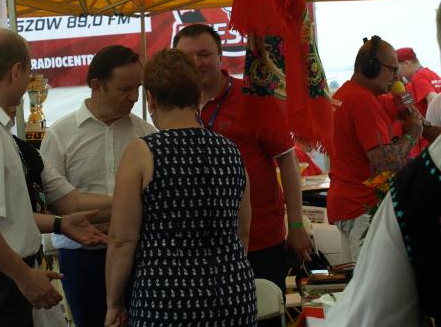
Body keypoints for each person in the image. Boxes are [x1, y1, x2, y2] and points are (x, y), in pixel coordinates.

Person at [0, 28, 106, 326]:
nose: (28, 84)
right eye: (28, 73)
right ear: (16, 71)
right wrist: (23, 276)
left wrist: (59, 224)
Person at [105, 49, 256, 327]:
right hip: (234, 294)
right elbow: (243, 231)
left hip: (165, 298)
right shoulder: (230, 150)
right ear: (198, 96)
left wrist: (114, 302)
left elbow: (121, 240)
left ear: (151, 98)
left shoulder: (141, 153)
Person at [173, 24, 312, 296]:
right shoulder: (173, 104)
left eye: (204, 54)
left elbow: (287, 161)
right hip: (197, 246)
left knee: (264, 310)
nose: (196, 63)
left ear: (220, 56)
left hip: (259, 240)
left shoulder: (254, 99)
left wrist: (295, 225)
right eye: (186, 56)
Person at [40, 45, 156, 327]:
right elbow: (49, 201)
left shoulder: (147, 135)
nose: (134, 97)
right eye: (125, 89)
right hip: (80, 257)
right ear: (96, 86)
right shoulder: (60, 135)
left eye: (138, 88)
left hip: (137, 254)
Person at [325, 127, 441, 327]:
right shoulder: (421, 182)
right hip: (360, 204)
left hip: (359, 204)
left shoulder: (421, 180)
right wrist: (412, 134)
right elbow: (384, 162)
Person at [327, 35, 423, 262]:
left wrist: (402, 93)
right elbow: (384, 163)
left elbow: (408, 112)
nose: (396, 77)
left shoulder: (347, 95)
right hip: (363, 209)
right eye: (392, 69)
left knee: (356, 279)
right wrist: (411, 136)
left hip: (348, 204)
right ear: (371, 68)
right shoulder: (364, 103)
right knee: (373, 282)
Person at [396, 46, 441, 117]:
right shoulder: (433, 74)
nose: (397, 72)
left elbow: (433, 98)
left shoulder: (418, 77)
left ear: (406, 63)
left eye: (397, 68)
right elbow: (410, 107)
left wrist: (432, 122)